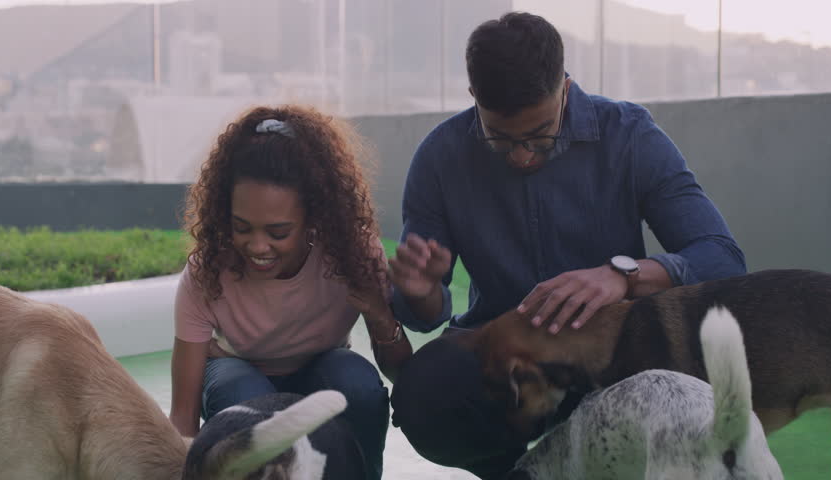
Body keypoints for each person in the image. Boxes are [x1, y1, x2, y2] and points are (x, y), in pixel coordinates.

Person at [387, 11, 746, 480]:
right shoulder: (440, 157)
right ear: (474, 97)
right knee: (423, 396)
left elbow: (722, 259)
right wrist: (420, 292)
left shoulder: (630, 135)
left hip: (616, 355)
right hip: (510, 362)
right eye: (501, 139)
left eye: (540, 136)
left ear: (566, 88)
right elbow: (425, 317)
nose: (522, 155)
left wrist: (622, 275)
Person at [168, 105, 411, 480]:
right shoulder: (207, 272)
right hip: (238, 374)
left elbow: (399, 373)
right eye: (241, 227)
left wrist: (380, 314)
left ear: (314, 218)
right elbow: (183, 416)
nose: (257, 246)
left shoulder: (353, 254)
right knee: (242, 392)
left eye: (278, 232)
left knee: (357, 384)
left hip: (320, 370)